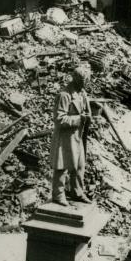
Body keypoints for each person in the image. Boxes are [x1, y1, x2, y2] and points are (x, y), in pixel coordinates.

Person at [50, 66, 92, 206]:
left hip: (78, 136)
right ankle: (58, 195)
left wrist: (89, 118)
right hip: (65, 137)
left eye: (87, 81)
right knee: (62, 166)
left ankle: (77, 193)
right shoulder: (64, 95)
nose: (86, 83)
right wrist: (79, 119)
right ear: (76, 79)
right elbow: (59, 119)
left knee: (79, 166)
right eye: (84, 81)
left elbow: (86, 111)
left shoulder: (82, 93)